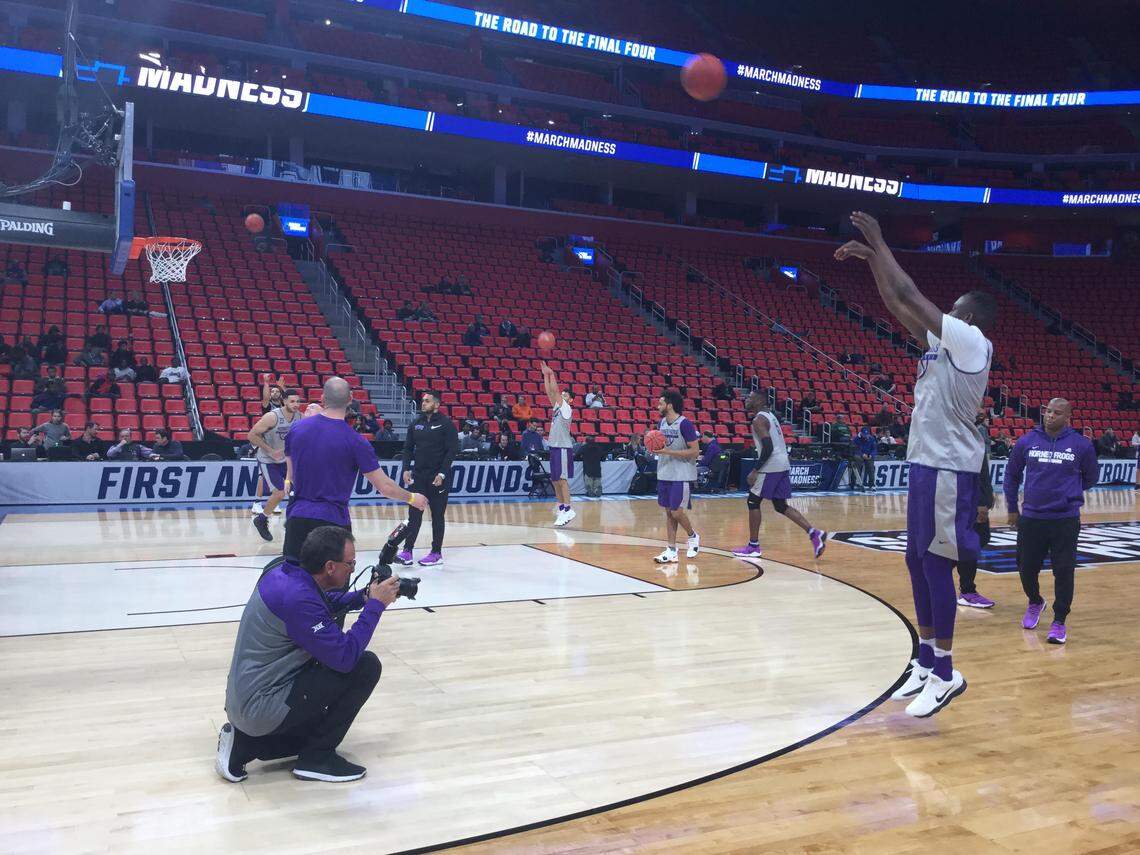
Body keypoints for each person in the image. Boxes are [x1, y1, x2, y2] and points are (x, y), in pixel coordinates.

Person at [836, 209, 997, 717]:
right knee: (915, 560)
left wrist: (881, 242)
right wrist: (872, 262)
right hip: (927, 461)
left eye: (953, 309)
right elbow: (897, 304)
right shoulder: (945, 344)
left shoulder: (972, 343)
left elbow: (910, 294)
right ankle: (926, 662)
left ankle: (946, 673)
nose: (944, 313)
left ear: (968, 319)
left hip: (950, 467)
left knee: (935, 564)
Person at [218, 526, 402, 784]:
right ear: (330, 567)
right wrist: (375, 606)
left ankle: (243, 745)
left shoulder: (283, 573)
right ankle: (316, 759)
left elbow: (321, 604)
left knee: (312, 726)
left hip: (247, 698)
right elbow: (346, 656)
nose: (353, 569)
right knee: (364, 666)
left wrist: (363, 596)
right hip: (261, 707)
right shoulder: (298, 600)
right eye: (350, 564)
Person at [282, 378, 427, 564]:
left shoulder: (296, 429)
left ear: (322, 399)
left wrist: (289, 480)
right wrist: (412, 498)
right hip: (332, 523)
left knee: (294, 576)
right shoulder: (356, 441)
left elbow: (291, 468)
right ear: (350, 399)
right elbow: (385, 487)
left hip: (297, 517)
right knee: (333, 580)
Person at [1004, 399, 1098, 645]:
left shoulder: (1081, 445)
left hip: (1065, 519)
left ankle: (1059, 621)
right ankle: (1035, 601)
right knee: (1025, 567)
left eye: (1057, 413)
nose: (1050, 416)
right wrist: (1012, 508)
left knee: (1064, 571)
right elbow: (1012, 475)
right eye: (1048, 411)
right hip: (1032, 517)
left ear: (1068, 417)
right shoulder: (1027, 441)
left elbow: (1091, 477)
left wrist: (1068, 493)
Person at [733, 393, 828, 561]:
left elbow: (768, 447)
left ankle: (753, 546)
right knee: (780, 505)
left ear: (759, 400)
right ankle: (814, 533)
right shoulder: (771, 416)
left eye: (750, 397)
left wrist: (755, 470)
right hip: (782, 463)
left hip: (771, 465)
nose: (746, 400)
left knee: (753, 501)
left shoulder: (758, 420)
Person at [397, 390, 459, 567]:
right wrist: (406, 468)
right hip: (418, 477)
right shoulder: (416, 424)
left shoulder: (446, 424)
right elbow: (408, 448)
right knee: (414, 515)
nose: (423, 403)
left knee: (437, 516)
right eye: (423, 400)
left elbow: (451, 451)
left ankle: (436, 553)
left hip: (438, 478)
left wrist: (442, 473)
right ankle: (407, 551)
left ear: (437, 404)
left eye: (427, 401)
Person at [651, 389, 701, 562]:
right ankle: (671, 550)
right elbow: (663, 447)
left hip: (681, 474)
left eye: (661, 403)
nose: (658, 406)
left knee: (677, 513)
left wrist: (668, 452)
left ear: (670, 405)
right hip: (665, 472)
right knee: (669, 513)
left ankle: (693, 536)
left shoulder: (685, 424)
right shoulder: (661, 423)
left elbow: (695, 451)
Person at [956, 407, 997, 609]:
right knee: (970, 544)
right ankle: (967, 591)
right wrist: (981, 501)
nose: (981, 413)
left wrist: (989, 495)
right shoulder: (962, 437)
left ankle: (964, 587)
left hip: (976, 499)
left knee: (980, 539)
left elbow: (982, 471)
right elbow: (971, 474)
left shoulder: (974, 434)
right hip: (968, 502)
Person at [249, 389, 304, 540]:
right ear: (284, 401)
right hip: (268, 460)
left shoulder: (300, 417)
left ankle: (291, 521)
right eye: (292, 401)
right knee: (280, 492)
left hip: (286, 459)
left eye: (298, 401)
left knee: (299, 491)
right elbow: (251, 435)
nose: (296, 404)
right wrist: (270, 451)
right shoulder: (272, 417)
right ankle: (261, 519)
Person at [539, 362, 576, 527]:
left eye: (565, 395)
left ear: (570, 400)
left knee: (562, 480)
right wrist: (545, 376)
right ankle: (561, 508)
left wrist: (551, 373)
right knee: (554, 480)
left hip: (562, 447)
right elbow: (549, 392)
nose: (562, 395)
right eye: (563, 394)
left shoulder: (567, 408)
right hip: (554, 447)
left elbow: (554, 391)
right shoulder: (557, 408)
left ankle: (568, 509)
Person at [853, 426, 877, 491]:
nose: (865, 436)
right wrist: (862, 454)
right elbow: (855, 449)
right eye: (864, 434)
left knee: (871, 467)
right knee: (857, 461)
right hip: (860, 455)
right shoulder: (856, 439)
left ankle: (872, 484)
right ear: (861, 433)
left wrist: (871, 455)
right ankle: (857, 483)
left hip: (868, 455)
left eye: (866, 434)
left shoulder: (872, 439)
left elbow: (874, 449)